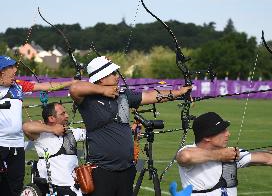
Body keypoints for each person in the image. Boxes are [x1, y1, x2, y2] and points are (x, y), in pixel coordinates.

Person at [69, 56, 192, 196]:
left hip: (126, 169)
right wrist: (103, 91)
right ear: (101, 78)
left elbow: (151, 96)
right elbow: (74, 87)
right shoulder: (87, 99)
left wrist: (180, 93)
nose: (117, 76)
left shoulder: (123, 95)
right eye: (113, 73)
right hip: (101, 170)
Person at [0, 55, 77, 196]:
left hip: (16, 146)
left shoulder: (18, 86)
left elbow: (44, 86)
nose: (15, 71)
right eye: (11, 68)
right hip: (1, 144)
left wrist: (70, 82)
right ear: (1, 72)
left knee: (15, 186)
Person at [176, 112, 272, 196]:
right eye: (222, 131)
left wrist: (225, 155)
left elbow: (268, 158)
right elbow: (185, 157)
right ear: (207, 137)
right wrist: (220, 155)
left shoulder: (230, 154)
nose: (228, 134)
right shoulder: (190, 151)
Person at [23, 102, 86, 196]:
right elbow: (26, 127)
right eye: (62, 113)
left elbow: (93, 133)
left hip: (75, 188)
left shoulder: (71, 132)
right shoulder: (41, 135)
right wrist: (52, 129)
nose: (67, 116)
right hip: (53, 189)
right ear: (51, 118)